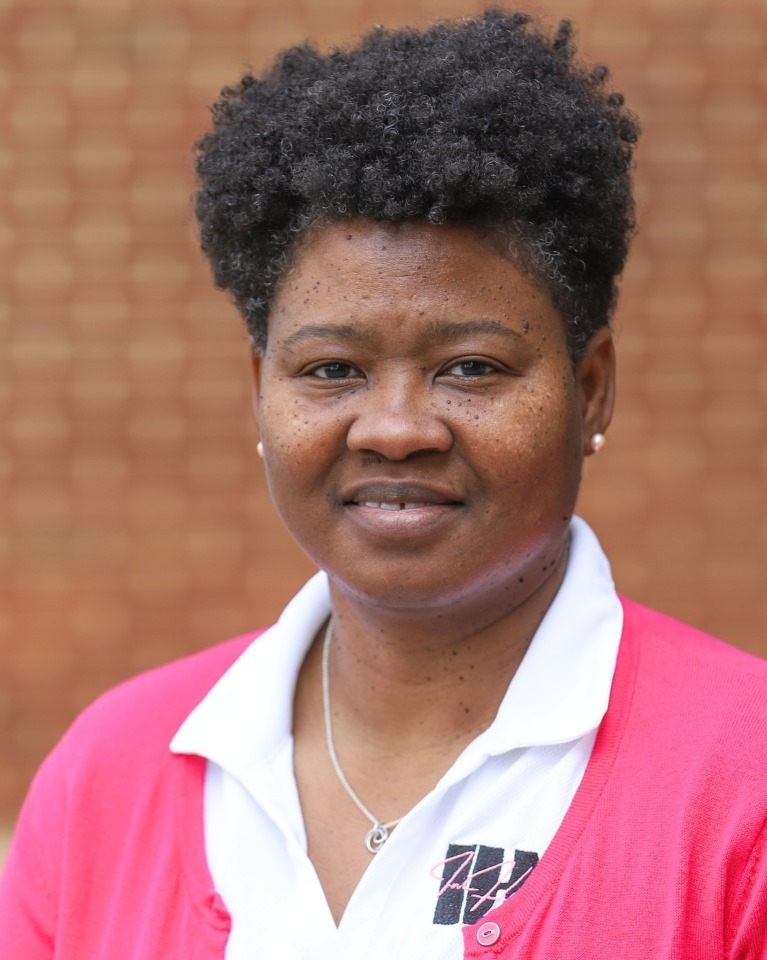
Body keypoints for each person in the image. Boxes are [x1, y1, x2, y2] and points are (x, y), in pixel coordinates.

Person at [2, 8, 766, 959]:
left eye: (472, 368)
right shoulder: (112, 773)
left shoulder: (743, 783)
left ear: (592, 389)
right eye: (331, 371)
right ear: (259, 392)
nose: (395, 429)